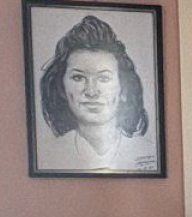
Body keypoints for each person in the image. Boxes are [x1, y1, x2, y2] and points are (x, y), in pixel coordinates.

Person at [37, 14, 157, 172]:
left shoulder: (149, 154)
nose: (91, 91)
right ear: (61, 87)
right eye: (78, 77)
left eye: (104, 78)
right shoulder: (48, 156)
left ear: (124, 88)